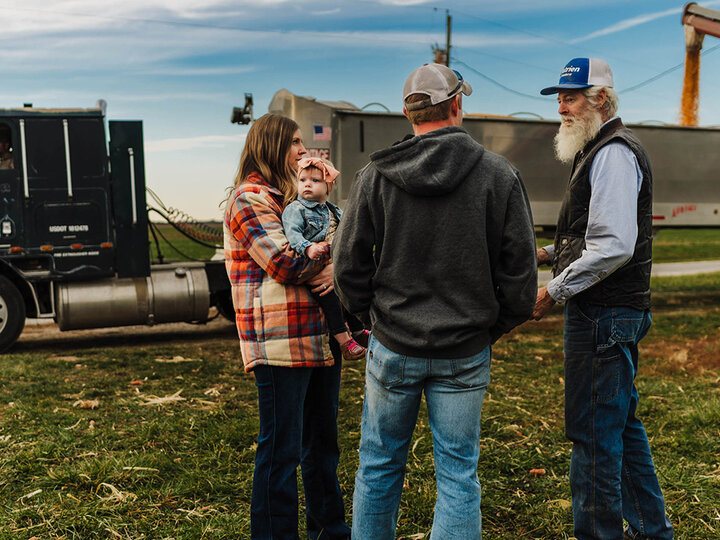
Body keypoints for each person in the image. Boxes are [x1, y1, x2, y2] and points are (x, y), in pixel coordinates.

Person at [333, 63, 538, 540]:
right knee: (459, 474)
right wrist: (490, 328)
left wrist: (372, 318)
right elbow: (522, 275)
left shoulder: (374, 176)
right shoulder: (499, 175)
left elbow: (347, 266)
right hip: (465, 350)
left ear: (408, 113)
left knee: (380, 466)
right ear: (458, 106)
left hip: (393, 346)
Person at [533, 58, 674, 540]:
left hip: (604, 314)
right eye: (560, 97)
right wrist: (545, 252)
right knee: (621, 427)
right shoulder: (598, 148)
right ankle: (652, 530)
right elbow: (590, 234)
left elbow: (613, 246)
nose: (561, 106)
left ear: (602, 101)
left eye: (571, 97)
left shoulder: (613, 152)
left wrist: (552, 291)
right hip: (612, 313)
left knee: (593, 435)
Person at [223, 113, 350, 540]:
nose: (303, 150)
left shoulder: (300, 200)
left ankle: (329, 532)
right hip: (278, 344)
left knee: (323, 448)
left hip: (317, 342)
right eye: (295, 142)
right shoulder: (249, 199)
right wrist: (330, 262)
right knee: (281, 451)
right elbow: (285, 262)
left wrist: (333, 262)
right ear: (273, 145)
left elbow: (342, 244)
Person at [282, 156, 368, 360]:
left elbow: (346, 234)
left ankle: (358, 331)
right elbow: (292, 233)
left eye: (315, 180)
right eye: (302, 180)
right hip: (316, 268)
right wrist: (308, 247)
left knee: (349, 295)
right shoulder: (296, 209)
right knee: (330, 302)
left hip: (335, 266)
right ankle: (344, 341)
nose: (307, 185)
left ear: (329, 186)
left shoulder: (334, 210)